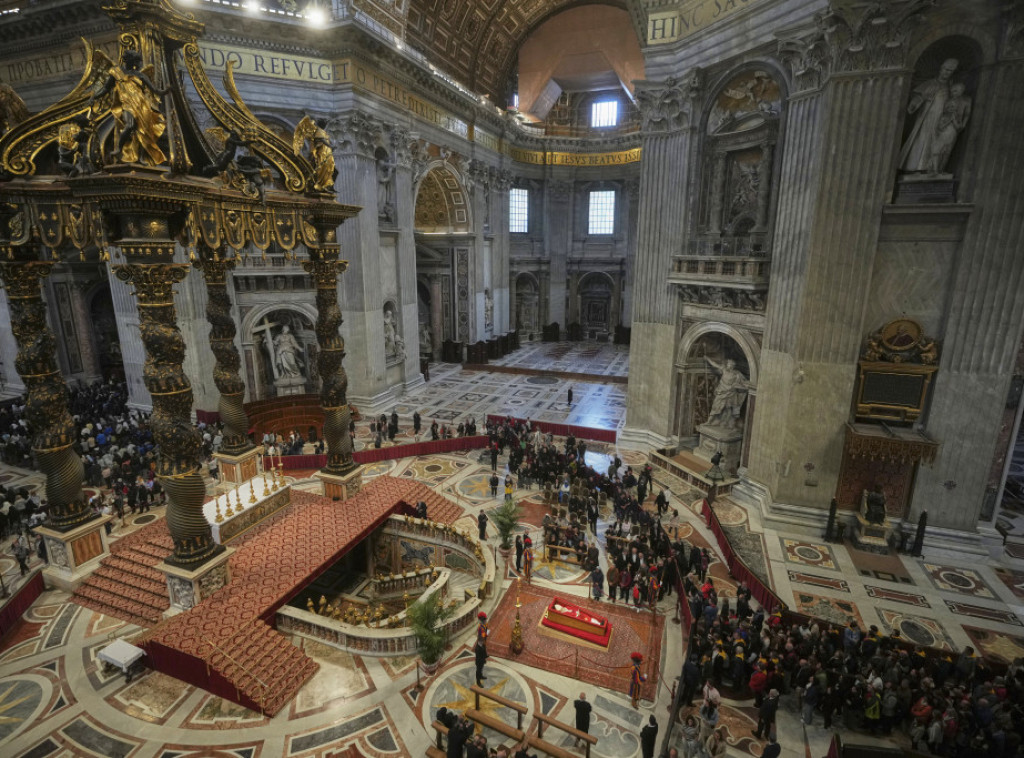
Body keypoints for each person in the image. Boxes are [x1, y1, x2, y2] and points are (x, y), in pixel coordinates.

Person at [900, 58, 959, 172]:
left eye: (950, 71)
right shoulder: (930, 83)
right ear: (941, 69)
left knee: (938, 143)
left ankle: (932, 168)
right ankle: (916, 167)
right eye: (945, 69)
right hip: (927, 117)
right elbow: (916, 99)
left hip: (942, 119)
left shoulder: (951, 87)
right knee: (923, 139)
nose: (946, 73)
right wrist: (920, 99)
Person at [704, 357, 750, 429]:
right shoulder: (724, 369)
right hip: (721, 391)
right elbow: (715, 364)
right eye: (728, 364)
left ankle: (725, 423)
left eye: (731, 364)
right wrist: (708, 359)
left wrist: (744, 385)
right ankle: (709, 422)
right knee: (715, 406)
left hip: (731, 393)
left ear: (733, 366)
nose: (729, 366)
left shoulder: (737, 374)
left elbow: (743, 382)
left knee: (728, 408)